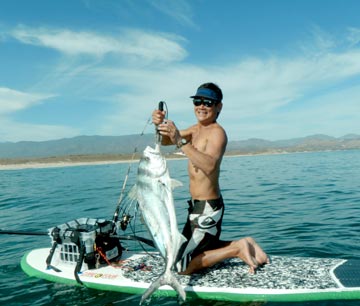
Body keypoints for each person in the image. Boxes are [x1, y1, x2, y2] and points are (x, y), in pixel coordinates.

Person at [152, 82, 269, 275]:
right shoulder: (195, 129)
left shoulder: (217, 132)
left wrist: (179, 140)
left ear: (218, 106)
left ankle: (236, 249)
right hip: (197, 206)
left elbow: (209, 165)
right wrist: (159, 125)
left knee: (182, 266)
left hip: (207, 207)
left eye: (208, 102)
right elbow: (166, 141)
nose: (201, 106)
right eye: (198, 101)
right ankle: (245, 244)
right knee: (196, 249)